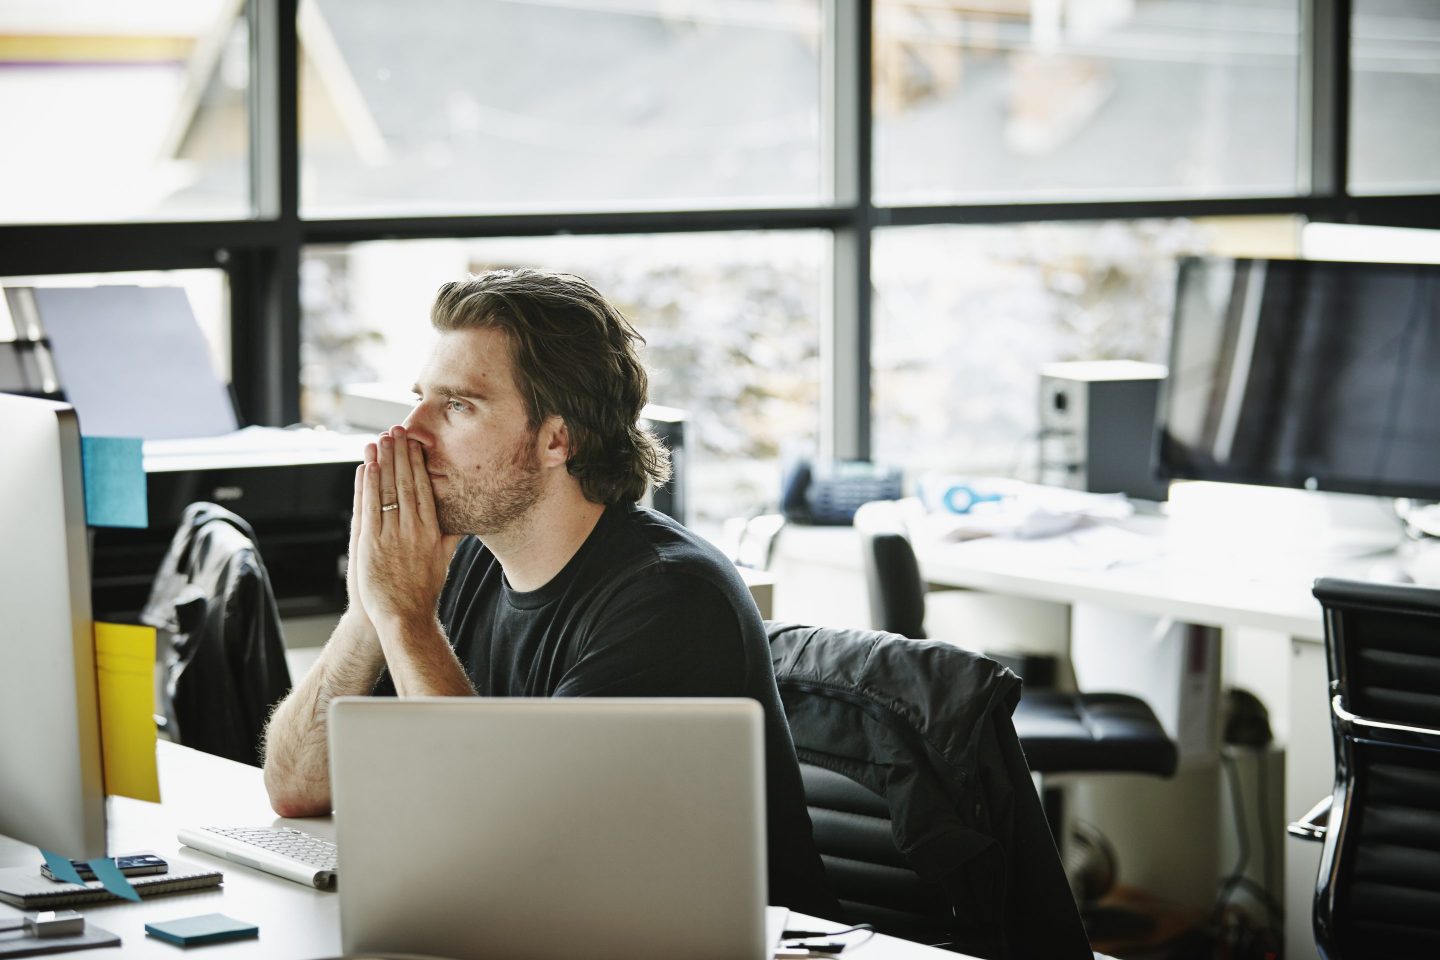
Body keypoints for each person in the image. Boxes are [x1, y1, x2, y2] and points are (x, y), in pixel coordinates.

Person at [262, 269, 833, 915]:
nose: (407, 433)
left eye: (457, 405)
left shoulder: (669, 600)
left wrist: (405, 617)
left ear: (558, 438)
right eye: (419, 398)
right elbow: (298, 788)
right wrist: (369, 608)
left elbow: (513, 857)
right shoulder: (464, 560)